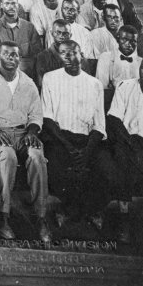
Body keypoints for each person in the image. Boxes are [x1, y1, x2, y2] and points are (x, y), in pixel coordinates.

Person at [0, 41, 52, 243]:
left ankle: (41, 216)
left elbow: (36, 116)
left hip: (22, 132)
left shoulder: (28, 83)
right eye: (7, 54)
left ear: (20, 58)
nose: (11, 58)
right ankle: (4, 216)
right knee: (7, 156)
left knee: (37, 157)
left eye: (15, 55)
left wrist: (32, 132)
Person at [41, 42, 114, 228]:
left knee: (107, 169)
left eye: (73, 53)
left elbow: (99, 125)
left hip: (89, 140)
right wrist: (69, 147)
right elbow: (48, 119)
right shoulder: (50, 78)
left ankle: (92, 209)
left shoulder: (95, 84)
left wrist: (87, 151)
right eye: (64, 53)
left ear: (81, 54)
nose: (69, 57)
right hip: (60, 138)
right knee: (58, 167)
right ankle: (67, 209)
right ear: (59, 56)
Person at [106, 57, 143, 243]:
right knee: (122, 159)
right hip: (126, 139)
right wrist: (129, 142)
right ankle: (124, 217)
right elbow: (114, 119)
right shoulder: (126, 86)